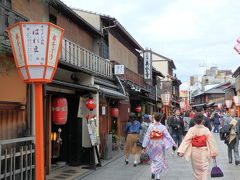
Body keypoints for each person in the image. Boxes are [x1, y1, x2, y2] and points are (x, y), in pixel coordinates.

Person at [177, 112, 218, 180]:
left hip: (194, 152)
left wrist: (181, 151)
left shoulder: (191, 130)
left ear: (194, 120)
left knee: (196, 171)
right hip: (204, 152)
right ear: (203, 120)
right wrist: (213, 153)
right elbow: (211, 142)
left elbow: (186, 141)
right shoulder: (206, 130)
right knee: (204, 170)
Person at [142, 112, 177, 180]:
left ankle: (153, 171)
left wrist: (144, 146)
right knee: (160, 160)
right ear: (160, 119)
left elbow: (147, 136)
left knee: (153, 158)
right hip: (160, 145)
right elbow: (168, 136)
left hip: (152, 144)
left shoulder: (151, 126)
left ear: (154, 118)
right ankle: (158, 176)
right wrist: (174, 144)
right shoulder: (163, 127)